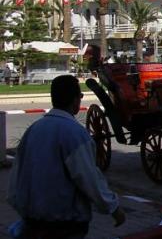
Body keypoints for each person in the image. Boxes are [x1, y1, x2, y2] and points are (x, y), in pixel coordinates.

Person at [7, 75, 126, 238]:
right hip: (65, 224)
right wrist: (113, 208)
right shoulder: (75, 134)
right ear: (75, 100)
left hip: (32, 222)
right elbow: (88, 178)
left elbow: (16, 176)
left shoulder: (34, 130)